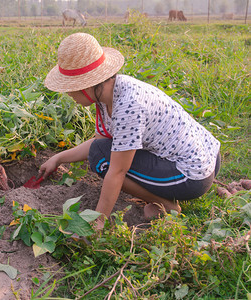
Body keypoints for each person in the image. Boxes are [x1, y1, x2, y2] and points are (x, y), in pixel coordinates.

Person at [39, 33, 221, 228]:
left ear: (86, 86)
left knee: (101, 160)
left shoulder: (128, 106)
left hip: (191, 175)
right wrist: (58, 158)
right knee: (100, 151)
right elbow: (101, 142)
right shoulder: (108, 92)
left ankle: (167, 205)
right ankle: (164, 195)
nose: (69, 94)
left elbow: (117, 170)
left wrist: (98, 221)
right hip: (206, 155)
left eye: (70, 88)